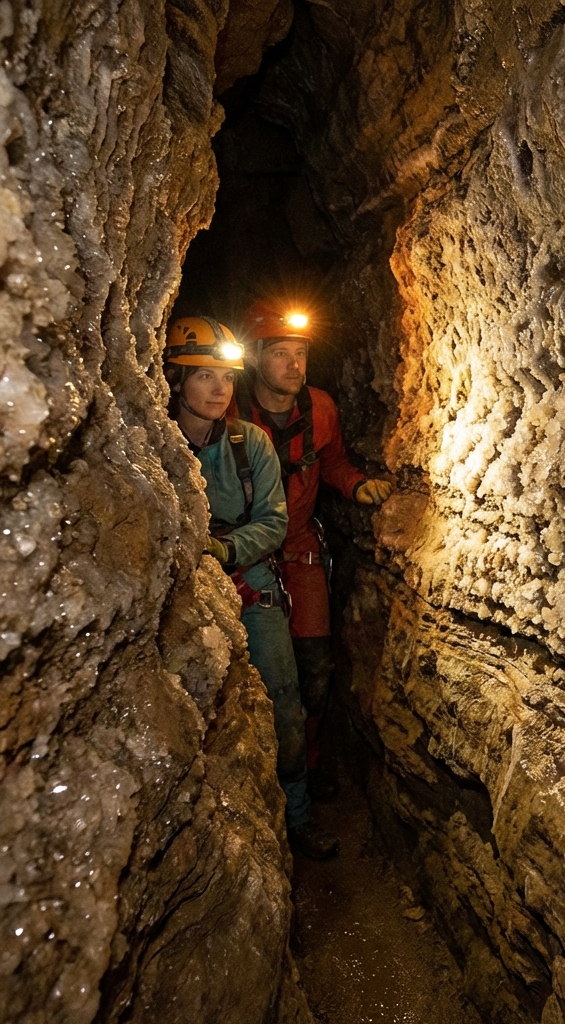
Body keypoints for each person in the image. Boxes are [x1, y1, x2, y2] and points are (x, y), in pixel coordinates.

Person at [165, 315, 339, 859]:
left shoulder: (251, 443)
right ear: (175, 381)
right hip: (183, 594)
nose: (219, 388)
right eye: (204, 377)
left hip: (251, 585)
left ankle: (299, 818)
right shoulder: (156, 443)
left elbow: (272, 520)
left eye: (225, 377)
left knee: (285, 705)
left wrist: (224, 549)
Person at [234, 300, 394, 799]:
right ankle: (264, 779)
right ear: (256, 357)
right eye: (280, 353)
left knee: (316, 667)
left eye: (299, 353)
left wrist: (356, 486)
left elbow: (335, 463)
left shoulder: (320, 408)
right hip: (246, 554)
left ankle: (310, 762)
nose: (293, 365)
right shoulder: (234, 411)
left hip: (299, 547)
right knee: (256, 671)